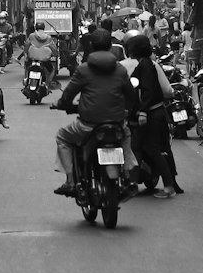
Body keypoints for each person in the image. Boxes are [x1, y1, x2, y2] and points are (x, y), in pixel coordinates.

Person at [50, 28, 140, 195]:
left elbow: (69, 93)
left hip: (88, 125)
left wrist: (61, 104)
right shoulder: (120, 70)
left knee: (62, 136)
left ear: (91, 45)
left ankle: (70, 181)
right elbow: (131, 96)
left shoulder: (84, 69)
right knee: (126, 135)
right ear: (109, 45)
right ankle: (128, 175)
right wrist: (126, 111)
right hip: (116, 124)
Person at [127, 34, 182, 198]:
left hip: (152, 114)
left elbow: (148, 91)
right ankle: (132, 182)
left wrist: (143, 111)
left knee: (152, 149)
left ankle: (168, 186)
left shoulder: (147, 66)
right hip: (151, 112)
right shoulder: (145, 64)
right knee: (137, 146)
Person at [24, 22, 57, 91]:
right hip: (44, 59)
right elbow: (54, 49)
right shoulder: (48, 37)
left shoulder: (31, 36)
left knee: (27, 66)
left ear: (35, 28)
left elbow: (27, 45)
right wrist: (56, 55)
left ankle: (26, 79)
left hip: (32, 57)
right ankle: (47, 84)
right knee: (52, 69)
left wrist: (26, 54)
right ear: (44, 28)